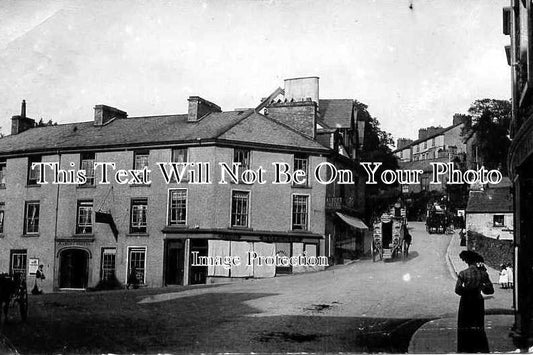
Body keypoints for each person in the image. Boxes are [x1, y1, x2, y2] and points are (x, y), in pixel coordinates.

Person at [455, 250, 494, 353]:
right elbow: (490, 290)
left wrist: (467, 291)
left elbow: (457, 290)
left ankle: (465, 349)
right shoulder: (483, 274)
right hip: (478, 301)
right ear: (476, 261)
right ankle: (479, 349)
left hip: (466, 302)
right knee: (478, 325)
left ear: (467, 262)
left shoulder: (463, 273)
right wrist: (481, 287)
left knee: (464, 325)